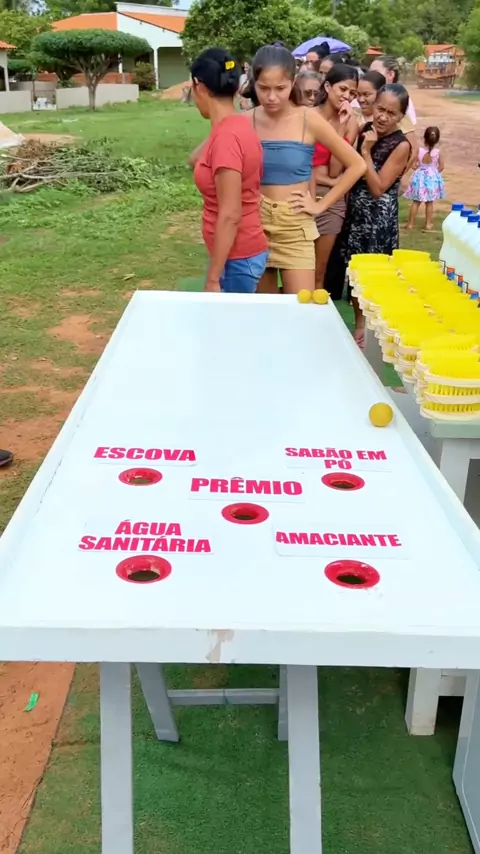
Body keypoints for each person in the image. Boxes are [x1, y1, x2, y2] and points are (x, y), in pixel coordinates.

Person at [247, 44, 366, 294]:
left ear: (293, 83)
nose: (271, 97)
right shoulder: (245, 121)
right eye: (263, 88)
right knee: (265, 309)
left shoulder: (308, 119)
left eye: (280, 88)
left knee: (301, 305)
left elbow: (357, 165)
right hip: (255, 224)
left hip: (295, 225)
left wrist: (321, 205)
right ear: (253, 84)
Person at [190, 47, 268, 293]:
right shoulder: (234, 126)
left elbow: (231, 213)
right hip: (234, 254)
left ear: (198, 86)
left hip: (237, 257)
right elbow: (195, 160)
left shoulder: (228, 137)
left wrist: (213, 279)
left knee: (231, 319)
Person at [340, 83, 412, 346]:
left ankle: (369, 331)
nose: (383, 117)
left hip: (378, 219)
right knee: (354, 272)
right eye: (380, 109)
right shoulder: (365, 131)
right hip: (357, 213)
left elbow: (379, 187)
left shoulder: (401, 145)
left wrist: (366, 152)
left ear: (401, 116)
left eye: (391, 113)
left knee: (373, 276)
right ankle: (359, 325)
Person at [312, 64, 359, 287]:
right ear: (328, 86)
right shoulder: (308, 116)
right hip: (305, 194)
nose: (347, 96)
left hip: (332, 202)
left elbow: (335, 169)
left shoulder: (350, 123)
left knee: (319, 270)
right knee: (297, 267)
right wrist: (327, 180)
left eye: (353, 93)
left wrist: (340, 127)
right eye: (343, 89)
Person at [369, 55, 418, 165]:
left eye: (375, 72)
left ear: (391, 74)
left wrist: (397, 173)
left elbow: (413, 149)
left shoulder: (401, 100)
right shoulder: (367, 96)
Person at [404, 126, 445, 232]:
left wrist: (420, 169)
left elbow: (413, 165)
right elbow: (441, 167)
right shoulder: (438, 152)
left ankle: (410, 224)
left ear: (424, 138)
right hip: (432, 179)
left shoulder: (419, 151)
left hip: (419, 178)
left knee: (416, 202)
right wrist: (433, 172)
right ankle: (428, 224)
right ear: (437, 139)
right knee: (429, 202)